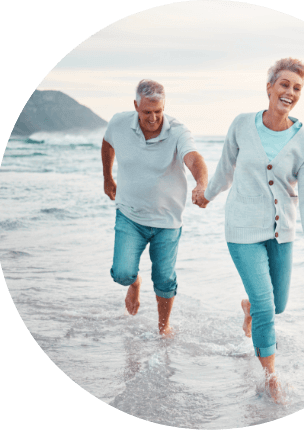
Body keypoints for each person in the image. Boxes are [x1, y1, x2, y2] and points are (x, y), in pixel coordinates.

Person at [193, 58, 304, 402]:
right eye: (284, 84)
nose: (290, 92)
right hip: (241, 229)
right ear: (269, 87)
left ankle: (249, 307)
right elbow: (224, 170)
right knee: (269, 309)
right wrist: (205, 195)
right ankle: (271, 378)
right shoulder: (241, 125)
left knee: (275, 305)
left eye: (297, 88)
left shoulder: (303, 140)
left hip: (282, 234)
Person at [102, 79, 208, 337]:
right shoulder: (119, 123)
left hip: (167, 221)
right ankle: (134, 283)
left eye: (158, 112)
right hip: (129, 215)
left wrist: (202, 183)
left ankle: (163, 328)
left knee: (164, 279)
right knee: (122, 273)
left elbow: (194, 158)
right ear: (136, 106)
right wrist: (107, 177)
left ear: (164, 107)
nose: (153, 118)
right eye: (147, 112)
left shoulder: (178, 131)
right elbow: (107, 144)